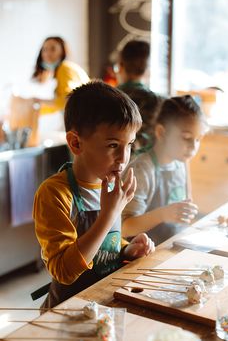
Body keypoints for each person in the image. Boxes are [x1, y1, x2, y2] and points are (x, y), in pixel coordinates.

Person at [33, 80, 155, 309]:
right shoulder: (55, 194)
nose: (123, 157)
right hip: (67, 313)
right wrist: (108, 215)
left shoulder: (109, 184)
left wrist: (126, 249)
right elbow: (64, 272)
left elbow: (105, 247)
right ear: (76, 143)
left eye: (129, 144)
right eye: (112, 145)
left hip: (106, 304)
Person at [122, 95, 208, 245]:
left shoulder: (181, 161)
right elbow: (124, 228)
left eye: (198, 139)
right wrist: (163, 214)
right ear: (161, 132)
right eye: (187, 138)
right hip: (142, 257)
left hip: (172, 247)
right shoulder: (141, 169)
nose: (193, 147)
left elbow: (187, 204)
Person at [116, 39, 164, 152]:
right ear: (148, 70)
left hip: (112, 164)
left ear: (120, 66)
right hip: (149, 165)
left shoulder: (105, 98)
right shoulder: (159, 102)